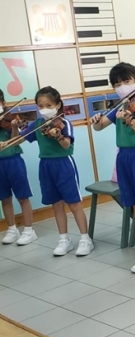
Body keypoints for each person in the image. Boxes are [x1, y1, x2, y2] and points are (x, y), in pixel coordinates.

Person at [90, 62, 135, 276]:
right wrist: (95, 121)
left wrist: (131, 121)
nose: (122, 86)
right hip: (123, 158)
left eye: (126, 81)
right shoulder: (121, 106)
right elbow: (100, 126)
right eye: (117, 84)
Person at [1, 87, 93, 256]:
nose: (44, 109)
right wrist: (7, 140)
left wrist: (58, 136)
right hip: (45, 166)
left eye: (48, 105)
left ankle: (85, 239)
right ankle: (64, 239)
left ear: (57, 105)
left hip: (64, 165)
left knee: (74, 204)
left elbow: (67, 145)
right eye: (40, 106)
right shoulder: (37, 124)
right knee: (56, 205)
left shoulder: (64, 123)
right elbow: (19, 139)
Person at [0, 89, 37, 246]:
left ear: (3, 102)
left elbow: (16, 140)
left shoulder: (10, 118)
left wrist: (14, 127)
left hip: (13, 161)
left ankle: (29, 230)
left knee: (22, 196)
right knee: (4, 198)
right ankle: (12, 229)